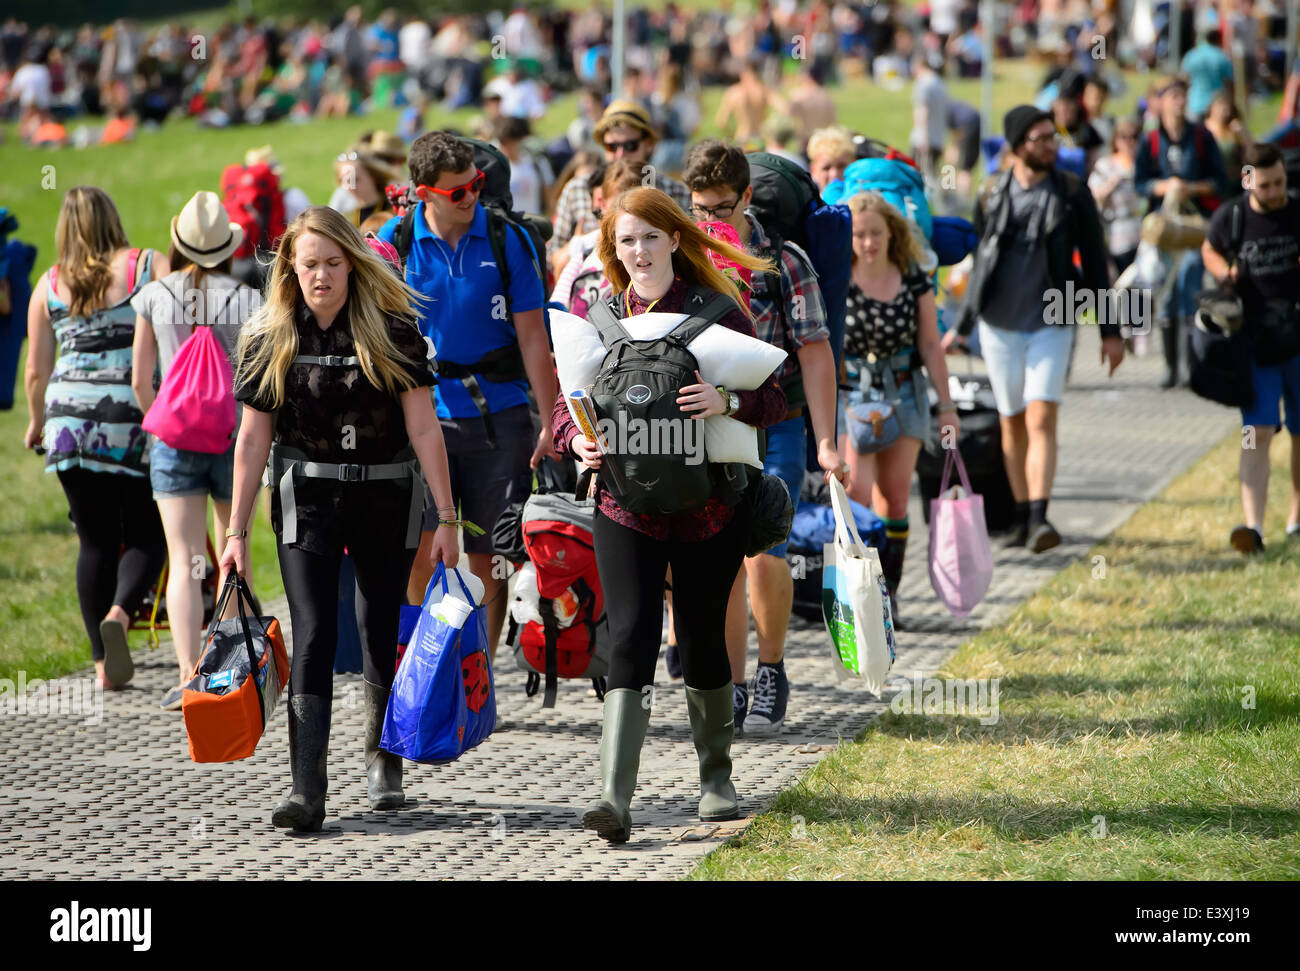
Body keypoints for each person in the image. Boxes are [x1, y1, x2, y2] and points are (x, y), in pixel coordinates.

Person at [551, 186, 785, 844]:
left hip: (710, 508)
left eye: (652, 237)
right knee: (628, 636)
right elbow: (562, 410)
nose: (641, 250)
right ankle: (613, 797)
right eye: (627, 241)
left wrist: (727, 403)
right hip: (623, 507)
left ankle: (716, 781)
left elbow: (775, 397)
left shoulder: (719, 311)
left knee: (704, 634)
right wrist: (576, 441)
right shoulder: (592, 319)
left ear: (676, 240)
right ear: (613, 251)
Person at [221, 206, 459, 832]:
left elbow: (424, 426)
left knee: (379, 623)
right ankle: (308, 787)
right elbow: (251, 441)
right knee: (316, 631)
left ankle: (384, 759)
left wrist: (449, 518)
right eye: (309, 265)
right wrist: (235, 533)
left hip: (387, 495)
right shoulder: (268, 334)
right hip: (308, 500)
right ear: (290, 269)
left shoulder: (392, 327)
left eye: (333, 263)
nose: (321, 276)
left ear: (353, 264)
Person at [682, 139, 842, 735]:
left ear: (747, 197)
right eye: (697, 208)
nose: (708, 221)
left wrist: (827, 442)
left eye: (720, 207)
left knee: (763, 553)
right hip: (710, 424)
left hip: (778, 421)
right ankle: (734, 683)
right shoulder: (687, 257)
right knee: (722, 558)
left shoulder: (785, 261)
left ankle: (771, 664)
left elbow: (817, 354)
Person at [377, 132, 554, 657]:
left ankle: (477, 665)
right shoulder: (396, 240)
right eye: (456, 192)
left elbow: (532, 337)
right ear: (422, 193)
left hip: (500, 415)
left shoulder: (509, 239)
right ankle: (428, 658)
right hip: (420, 417)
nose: (471, 196)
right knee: (422, 551)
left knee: (489, 554)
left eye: (475, 184)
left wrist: (550, 420)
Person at [945, 106, 1125, 552]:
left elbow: (1095, 261)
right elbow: (981, 262)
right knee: (1012, 421)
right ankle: (1023, 517)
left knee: (1042, 414)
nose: (1051, 146)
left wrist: (1110, 330)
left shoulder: (1071, 193)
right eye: (1041, 138)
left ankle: (1040, 517)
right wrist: (962, 326)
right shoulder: (990, 193)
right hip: (999, 325)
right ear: (1017, 146)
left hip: (1053, 319)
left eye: (1054, 137)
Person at [23, 186, 168, 689]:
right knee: (150, 533)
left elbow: (36, 371)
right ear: (113, 217)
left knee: (95, 541)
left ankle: (102, 664)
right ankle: (121, 615)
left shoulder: (48, 284)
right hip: (133, 415)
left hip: (68, 423)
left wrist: (36, 423)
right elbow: (176, 336)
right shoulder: (149, 265)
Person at [130, 191, 260, 711]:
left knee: (184, 560)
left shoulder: (155, 294)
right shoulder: (248, 298)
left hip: (174, 439)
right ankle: (232, 670)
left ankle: (188, 674)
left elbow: (141, 379)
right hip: (233, 439)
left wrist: (158, 420)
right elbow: (255, 377)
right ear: (226, 248)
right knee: (235, 555)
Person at [843, 191, 959, 620]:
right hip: (853, 393)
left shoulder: (912, 275)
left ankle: (888, 592)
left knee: (893, 499)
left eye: (876, 233)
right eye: (860, 235)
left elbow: (930, 343)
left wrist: (946, 406)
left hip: (905, 390)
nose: (869, 243)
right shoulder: (839, 275)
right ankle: (863, 593)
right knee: (858, 495)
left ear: (891, 232)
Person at [1201, 143, 1300, 553]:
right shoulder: (1234, 216)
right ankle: (1253, 527)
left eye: (1280, 182)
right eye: (1266, 185)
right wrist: (1225, 271)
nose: (1275, 191)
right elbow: (1209, 247)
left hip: (1297, 339)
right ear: (1248, 181)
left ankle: (1296, 519)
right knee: (1253, 433)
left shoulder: (1297, 212)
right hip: (1255, 346)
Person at [1134, 75, 1230, 388]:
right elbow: (1139, 183)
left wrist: (1192, 188)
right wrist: (1163, 187)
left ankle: (1191, 368)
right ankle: (1170, 367)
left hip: (1193, 226)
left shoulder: (1201, 136)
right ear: (1159, 101)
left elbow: (1221, 181)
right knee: (1165, 293)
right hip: (1162, 229)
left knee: (1189, 286)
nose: (1179, 101)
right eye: (1172, 95)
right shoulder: (1149, 141)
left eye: (1182, 95)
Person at [548, 99, 693, 265]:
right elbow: (553, 255)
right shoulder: (577, 189)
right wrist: (579, 245)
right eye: (612, 147)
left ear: (648, 144)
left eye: (630, 145)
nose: (621, 154)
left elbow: (689, 253)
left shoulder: (674, 191)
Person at [1088, 118, 1144, 276]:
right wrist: (1110, 185)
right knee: (1126, 284)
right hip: (1119, 232)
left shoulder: (1144, 164)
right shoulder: (1106, 165)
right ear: (1115, 140)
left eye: (1134, 137)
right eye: (1124, 137)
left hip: (1144, 232)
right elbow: (1093, 197)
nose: (1129, 142)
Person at [1181, 28, 1235, 122]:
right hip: (1216, 106)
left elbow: (1184, 79)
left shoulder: (1192, 55)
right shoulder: (1222, 56)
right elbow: (1230, 83)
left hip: (1195, 103)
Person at [806, 124, 857, 195]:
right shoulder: (808, 205)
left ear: (854, 165)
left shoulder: (866, 202)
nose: (834, 175)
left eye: (841, 166)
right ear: (813, 170)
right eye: (826, 168)